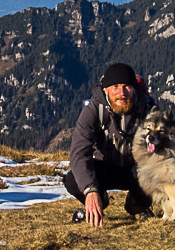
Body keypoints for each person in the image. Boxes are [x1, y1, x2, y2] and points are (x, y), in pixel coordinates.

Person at [64, 62, 155, 227]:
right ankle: (99, 200)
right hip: (103, 167)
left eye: (126, 86)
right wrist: (90, 190)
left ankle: (137, 204)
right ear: (105, 90)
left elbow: (165, 146)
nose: (121, 93)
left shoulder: (148, 109)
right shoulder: (93, 110)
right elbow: (79, 152)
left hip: (136, 170)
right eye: (115, 87)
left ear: (134, 88)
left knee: (156, 174)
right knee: (72, 180)